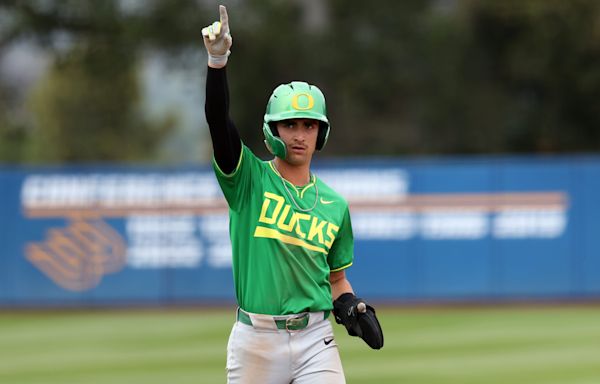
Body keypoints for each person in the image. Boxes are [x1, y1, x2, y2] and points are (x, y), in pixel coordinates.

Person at [202, 5, 383, 383]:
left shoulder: (335, 205)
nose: (300, 134)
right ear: (273, 130)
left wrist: (350, 304)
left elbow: (336, 279)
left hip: (315, 338)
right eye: (290, 124)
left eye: (309, 125)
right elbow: (219, 122)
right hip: (256, 341)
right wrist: (217, 63)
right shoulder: (249, 180)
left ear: (322, 133)